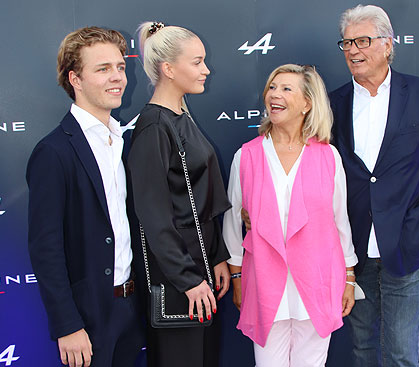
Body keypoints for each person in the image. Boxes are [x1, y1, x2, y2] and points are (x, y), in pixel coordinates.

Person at [329, 5, 419, 367]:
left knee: (402, 354)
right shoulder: (331, 103)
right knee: (361, 350)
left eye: (363, 41)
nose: (353, 50)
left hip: (406, 245)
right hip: (352, 252)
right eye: (346, 43)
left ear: (388, 45)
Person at [223, 64, 359, 367]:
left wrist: (349, 276)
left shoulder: (328, 156)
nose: (275, 95)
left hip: (317, 282)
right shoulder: (246, 156)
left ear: (307, 104)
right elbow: (232, 223)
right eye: (272, 87)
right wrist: (237, 278)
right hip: (264, 283)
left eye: (286, 89)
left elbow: (340, 222)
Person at [26, 27, 145, 367]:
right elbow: (45, 247)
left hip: (129, 306)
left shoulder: (121, 142)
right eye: (103, 69)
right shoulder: (54, 151)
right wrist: (68, 324)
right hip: (87, 314)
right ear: (75, 79)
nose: (118, 77)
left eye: (120, 67)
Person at [127, 21, 231, 367]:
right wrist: (187, 280)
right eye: (197, 62)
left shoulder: (180, 117)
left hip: (197, 271)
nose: (206, 70)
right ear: (168, 69)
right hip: (177, 282)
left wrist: (216, 255)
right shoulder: (154, 128)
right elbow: (154, 217)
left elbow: (199, 200)